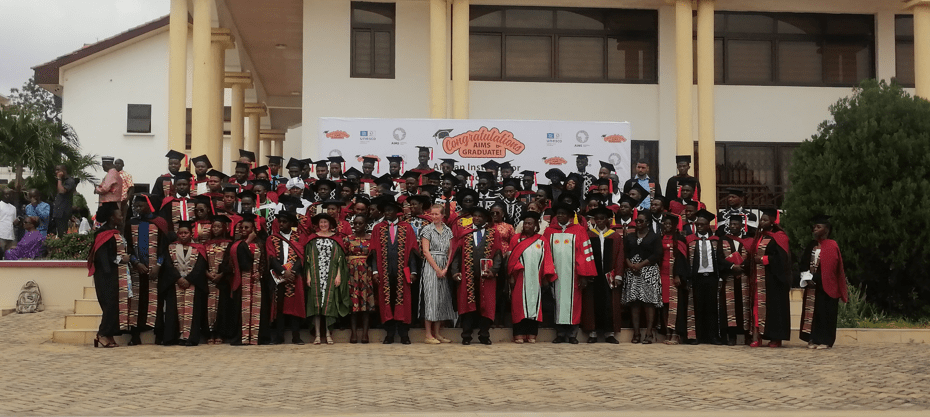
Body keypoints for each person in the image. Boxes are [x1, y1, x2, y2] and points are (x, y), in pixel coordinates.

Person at [368, 196, 421, 344]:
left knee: (403, 301)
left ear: (396, 211)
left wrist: (413, 271)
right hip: (384, 271)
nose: (387, 213)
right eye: (385, 211)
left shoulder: (407, 228)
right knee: (386, 301)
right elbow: (373, 252)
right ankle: (389, 334)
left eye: (390, 210)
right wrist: (375, 271)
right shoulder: (378, 228)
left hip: (402, 271)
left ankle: (404, 334)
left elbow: (412, 251)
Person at [543, 203, 597, 344]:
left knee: (574, 304)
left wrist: (584, 275)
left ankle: (573, 334)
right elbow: (545, 254)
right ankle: (560, 334)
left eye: (563, 213)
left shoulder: (579, 230)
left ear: (569, 216)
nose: (560, 216)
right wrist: (547, 273)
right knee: (557, 304)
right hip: (555, 275)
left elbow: (584, 254)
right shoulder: (549, 231)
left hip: (574, 276)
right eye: (558, 213)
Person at [449, 206, 502, 345]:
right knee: (467, 306)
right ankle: (466, 336)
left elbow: (498, 254)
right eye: (475, 216)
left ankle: (484, 335)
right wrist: (455, 272)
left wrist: (494, 270)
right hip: (467, 276)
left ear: (486, 219)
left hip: (486, 276)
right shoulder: (464, 233)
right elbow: (456, 255)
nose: (477, 218)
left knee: (486, 305)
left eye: (480, 216)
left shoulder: (493, 233)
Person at [126, 192, 171, 345]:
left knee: (156, 301)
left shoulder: (159, 222)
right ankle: (135, 335)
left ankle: (159, 334)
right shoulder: (131, 223)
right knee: (136, 302)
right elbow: (127, 246)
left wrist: (158, 265)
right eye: (135, 206)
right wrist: (135, 263)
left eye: (140, 205)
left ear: (149, 205)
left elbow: (164, 247)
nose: (137, 208)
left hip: (155, 270)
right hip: (137, 270)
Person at [799, 215, 848, 349]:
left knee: (826, 313)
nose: (815, 229)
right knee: (813, 313)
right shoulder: (811, 245)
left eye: (818, 227)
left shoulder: (832, 245)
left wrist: (817, 278)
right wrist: (806, 276)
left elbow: (831, 269)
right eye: (814, 227)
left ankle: (826, 341)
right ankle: (813, 339)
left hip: (827, 286)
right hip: (812, 286)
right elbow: (804, 262)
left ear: (826, 230)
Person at [684, 209, 732, 345]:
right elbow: (686, 260)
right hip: (697, 278)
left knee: (712, 308)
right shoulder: (690, 240)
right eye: (697, 224)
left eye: (702, 224)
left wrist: (721, 277)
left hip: (712, 278)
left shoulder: (716, 240)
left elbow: (720, 260)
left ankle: (713, 337)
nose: (699, 227)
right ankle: (697, 336)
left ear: (708, 226)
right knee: (697, 307)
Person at [508, 211, 555, 343]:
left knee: (534, 304)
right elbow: (510, 259)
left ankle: (531, 332)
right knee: (519, 305)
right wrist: (512, 275)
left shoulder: (542, 240)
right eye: (525, 223)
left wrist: (546, 276)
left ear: (536, 226)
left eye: (530, 224)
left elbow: (547, 259)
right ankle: (519, 333)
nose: (527, 226)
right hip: (520, 277)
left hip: (536, 278)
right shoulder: (516, 239)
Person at [222, 213, 268, 345]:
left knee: (258, 309)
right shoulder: (235, 245)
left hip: (257, 282)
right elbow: (243, 263)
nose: (243, 230)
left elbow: (264, 262)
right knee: (242, 309)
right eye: (241, 228)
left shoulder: (260, 244)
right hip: (241, 281)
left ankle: (256, 338)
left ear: (253, 229)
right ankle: (242, 337)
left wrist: (260, 273)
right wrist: (247, 242)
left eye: (247, 228)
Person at [87, 202, 128, 348]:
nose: (121, 217)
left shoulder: (115, 232)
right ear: (111, 217)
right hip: (105, 275)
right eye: (119, 214)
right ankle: (102, 334)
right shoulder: (103, 234)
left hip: (115, 274)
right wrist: (120, 260)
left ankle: (109, 334)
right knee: (109, 305)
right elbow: (102, 257)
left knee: (115, 305)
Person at [748, 208, 791, 348]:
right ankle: (757, 336)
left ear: (772, 222)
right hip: (759, 279)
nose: (762, 222)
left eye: (765, 220)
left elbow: (783, 259)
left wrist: (763, 259)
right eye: (761, 219)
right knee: (757, 307)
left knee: (775, 309)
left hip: (774, 280)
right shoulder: (760, 236)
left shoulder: (780, 237)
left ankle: (776, 338)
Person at [581, 206, 624, 344]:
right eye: (597, 219)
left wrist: (618, 275)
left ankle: (609, 333)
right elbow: (584, 256)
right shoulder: (589, 235)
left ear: (607, 220)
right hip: (593, 275)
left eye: (602, 218)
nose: (599, 221)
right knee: (591, 303)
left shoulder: (615, 236)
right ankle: (592, 332)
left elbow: (620, 257)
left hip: (609, 275)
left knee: (610, 303)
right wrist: (585, 274)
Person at [304, 213, 350, 345]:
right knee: (316, 305)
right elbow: (308, 260)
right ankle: (318, 335)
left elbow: (340, 260)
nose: (323, 225)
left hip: (331, 274)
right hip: (316, 274)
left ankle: (329, 334)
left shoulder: (336, 239)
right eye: (321, 222)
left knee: (330, 305)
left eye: (325, 222)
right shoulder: (312, 239)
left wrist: (338, 275)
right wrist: (308, 276)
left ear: (330, 224)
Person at [161, 221, 208, 346]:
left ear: (191, 234)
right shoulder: (171, 247)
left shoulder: (199, 248)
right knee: (174, 311)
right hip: (175, 283)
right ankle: (174, 337)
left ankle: (190, 338)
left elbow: (200, 266)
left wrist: (189, 279)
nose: (183, 235)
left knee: (192, 312)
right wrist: (178, 278)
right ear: (177, 234)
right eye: (181, 233)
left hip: (193, 284)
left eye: (186, 233)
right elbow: (168, 265)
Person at [622, 210, 663, 344]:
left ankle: (649, 334)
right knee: (634, 303)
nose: (638, 223)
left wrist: (641, 264)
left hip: (649, 271)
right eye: (637, 221)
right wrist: (630, 264)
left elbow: (657, 254)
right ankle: (636, 333)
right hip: (632, 272)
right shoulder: (630, 237)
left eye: (641, 221)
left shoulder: (654, 237)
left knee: (648, 303)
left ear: (648, 223)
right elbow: (625, 252)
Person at [418, 204, 457, 344]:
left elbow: (450, 250)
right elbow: (425, 251)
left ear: (442, 215)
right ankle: (428, 334)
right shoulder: (427, 230)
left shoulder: (448, 231)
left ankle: (438, 333)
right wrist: (437, 269)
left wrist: (446, 268)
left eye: (436, 214)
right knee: (431, 299)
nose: (434, 216)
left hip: (444, 263)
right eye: (432, 214)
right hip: (431, 266)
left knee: (441, 299)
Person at [267, 210, 307, 345]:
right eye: (280, 222)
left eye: (284, 222)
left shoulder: (299, 237)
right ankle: (279, 337)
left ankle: (296, 336)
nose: (281, 224)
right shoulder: (272, 238)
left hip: (295, 276)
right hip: (279, 276)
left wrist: (292, 272)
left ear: (291, 223)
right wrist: (284, 272)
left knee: (295, 307)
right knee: (279, 307)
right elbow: (271, 257)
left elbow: (302, 257)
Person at [719, 215, 752, 345]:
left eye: (735, 224)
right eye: (731, 224)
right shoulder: (723, 239)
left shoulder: (748, 240)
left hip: (744, 278)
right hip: (729, 278)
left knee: (745, 307)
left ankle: (747, 335)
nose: (733, 226)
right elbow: (719, 258)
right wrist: (732, 266)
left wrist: (743, 266)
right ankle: (731, 336)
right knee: (730, 307)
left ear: (742, 226)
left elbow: (752, 257)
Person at [659, 216, 690, 345]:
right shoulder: (660, 238)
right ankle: (667, 331)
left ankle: (676, 333)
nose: (667, 226)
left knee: (675, 305)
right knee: (664, 305)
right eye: (665, 223)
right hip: (662, 274)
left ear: (674, 226)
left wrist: (677, 275)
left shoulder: (680, 239)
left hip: (673, 275)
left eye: (670, 224)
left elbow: (682, 259)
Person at [346, 214, 375, 343]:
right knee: (353, 303)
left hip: (366, 274)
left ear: (366, 225)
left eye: (360, 223)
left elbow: (375, 256)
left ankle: (365, 333)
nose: (357, 226)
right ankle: (353, 333)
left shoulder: (371, 239)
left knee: (365, 303)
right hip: (352, 274)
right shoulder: (347, 239)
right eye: (355, 223)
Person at [203, 215, 232, 344]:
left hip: (223, 281)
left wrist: (221, 274)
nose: (215, 229)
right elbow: (201, 261)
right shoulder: (205, 245)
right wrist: (207, 273)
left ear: (224, 228)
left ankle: (220, 333)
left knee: (222, 307)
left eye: (219, 227)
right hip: (208, 280)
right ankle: (210, 333)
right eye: (214, 226)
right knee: (208, 308)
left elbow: (230, 262)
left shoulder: (229, 244)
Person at [0, 189, 16, 254]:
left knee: (9, 255)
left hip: (10, 235)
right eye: (6, 194)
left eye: (10, 194)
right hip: (1, 235)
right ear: (2, 195)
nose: (8, 196)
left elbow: (13, 221)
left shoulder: (13, 208)